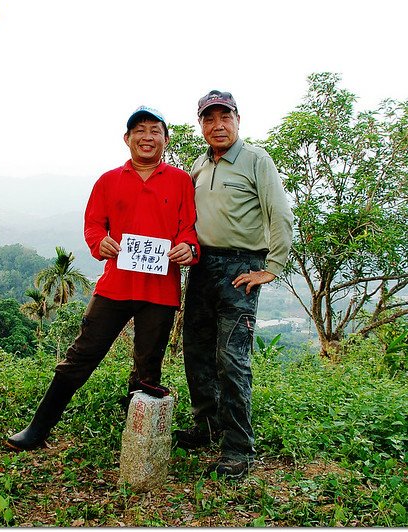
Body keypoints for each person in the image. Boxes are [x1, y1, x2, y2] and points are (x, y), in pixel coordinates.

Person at [5, 106, 200, 451]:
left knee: (148, 366)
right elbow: (94, 225)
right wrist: (100, 242)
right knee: (81, 354)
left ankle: (137, 435)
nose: (147, 137)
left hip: (161, 290)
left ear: (166, 140)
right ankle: (38, 428)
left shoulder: (181, 181)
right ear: (127, 139)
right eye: (139, 130)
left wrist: (188, 247)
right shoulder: (109, 180)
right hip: (115, 286)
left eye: (155, 131)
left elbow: (189, 231)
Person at [175, 90, 293, 479]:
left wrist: (272, 266)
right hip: (203, 265)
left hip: (241, 266)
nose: (218, 125)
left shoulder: (256, 159)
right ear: (201, 125)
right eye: (209, 119)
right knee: (196, 350)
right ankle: (206, 427)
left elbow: (279, 212)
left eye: (225, 117)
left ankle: (239, 448)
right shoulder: (200, 164)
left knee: (231, 359)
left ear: (238, 120)